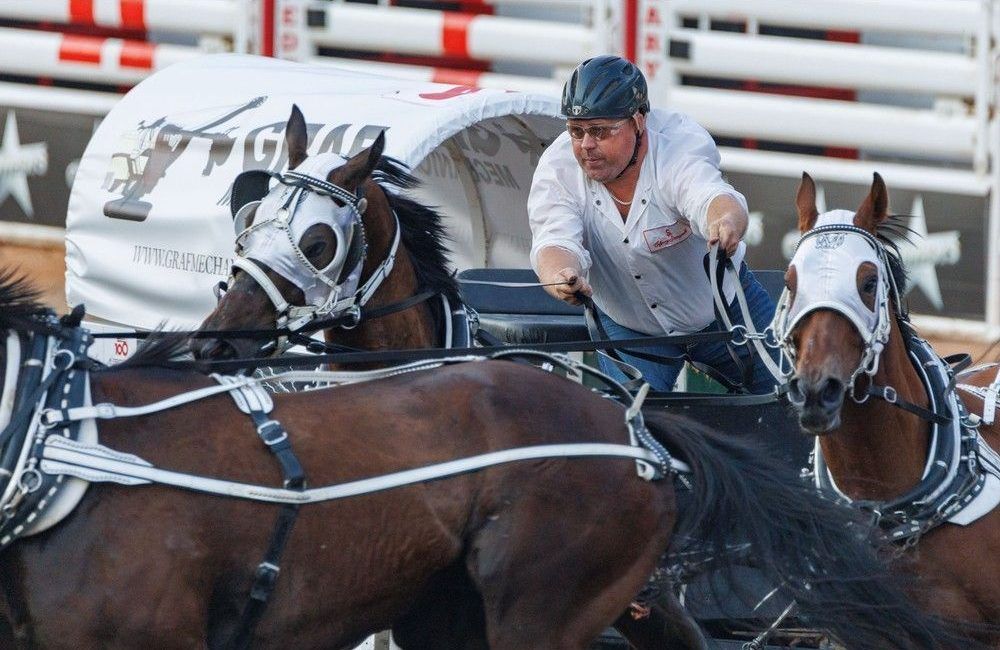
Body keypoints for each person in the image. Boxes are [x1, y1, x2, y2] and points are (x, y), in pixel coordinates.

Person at [528, 54, 778, 393]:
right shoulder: (558, 166)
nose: (586, 145)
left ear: (638, 121)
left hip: (724, 310)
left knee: (792, 401)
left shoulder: (677, 144)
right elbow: (553, 240)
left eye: (600, 131)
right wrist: (562, 277)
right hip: (630, 327)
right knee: (624, 426)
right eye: (576, 131)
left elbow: (710, 196)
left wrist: (725, 221)